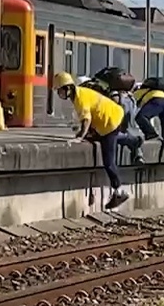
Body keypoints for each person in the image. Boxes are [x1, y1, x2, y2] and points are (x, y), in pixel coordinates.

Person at [54, 72, 131, 209]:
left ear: (68, 88)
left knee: (108, 161)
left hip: (110, 122)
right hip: (109, 119)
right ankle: (132, 140)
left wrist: (79, 137)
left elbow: (87, 119)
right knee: (103, 140)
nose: (58, 93)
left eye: (60, 90)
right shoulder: (79, 94)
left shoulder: (79, 98)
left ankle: (119, 191)